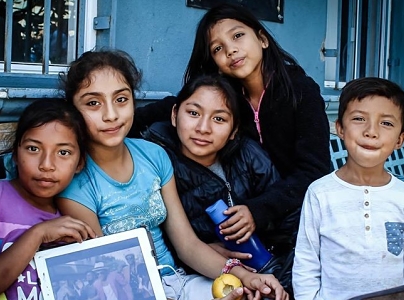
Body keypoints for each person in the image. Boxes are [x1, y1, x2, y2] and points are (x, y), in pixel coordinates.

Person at [56, 49, 288, 300]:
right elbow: (105, 276)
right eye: (93, 103)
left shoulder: (153, 155)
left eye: (121, 99)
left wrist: (245, 276)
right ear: (72, 110)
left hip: (177, 281)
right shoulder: (77, 183)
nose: (110, 114)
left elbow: (187, 245)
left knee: (246, 293)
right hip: (128, 291)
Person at [130, 3, 330, 257]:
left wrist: (259, 209)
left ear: (262, 39)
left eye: (238, 36)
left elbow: (315, 170)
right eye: (217, 48)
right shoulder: (227, 99)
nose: (231, 49)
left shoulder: (300, 91)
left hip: (299, 217)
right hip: (244, 222)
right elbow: (174, 106)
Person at [292, 77, 404, 299]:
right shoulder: (319, 193)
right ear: (340, 129)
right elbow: (306, 263)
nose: (371, 131)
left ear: (400, 139)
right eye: (359, 118)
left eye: (386, 123)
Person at [142, 74, 285, 274]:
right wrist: (204, 253)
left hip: (267, 267)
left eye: (219, 119)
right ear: (174, 115)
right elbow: (155, 238)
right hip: (198, 277)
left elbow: (287, 219)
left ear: (234, 129)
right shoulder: (156, 163)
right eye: (193, 113)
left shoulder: (249, 155)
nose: (203, 128)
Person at [0, 99, 96, 299]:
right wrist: (38, 234)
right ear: (15, 154)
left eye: (63, 152)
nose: (46, 165)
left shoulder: (75, 213)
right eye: (33, 149)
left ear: (80, 162)